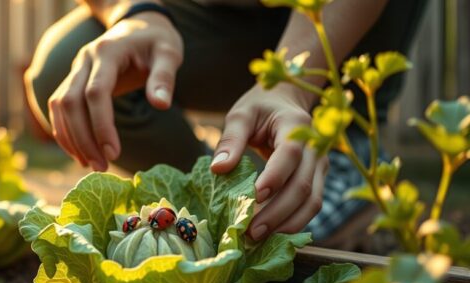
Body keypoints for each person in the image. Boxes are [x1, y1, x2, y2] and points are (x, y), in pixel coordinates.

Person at [24, 0, 426, 244]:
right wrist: (135, 13)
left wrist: (293, 83)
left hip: (345, 20)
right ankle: (219, 192)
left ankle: (343, 145)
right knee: (63, 66)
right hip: (222, 17)